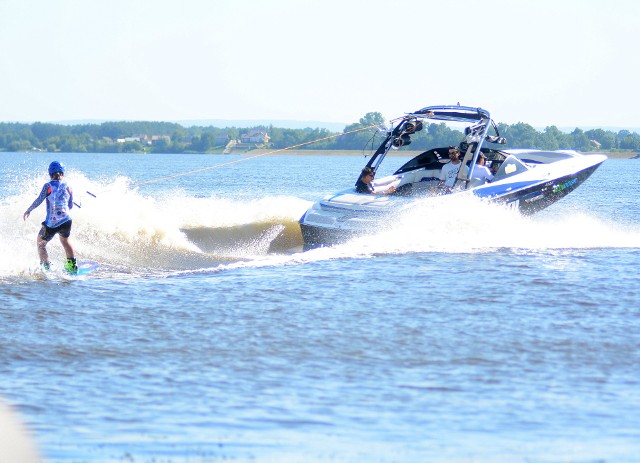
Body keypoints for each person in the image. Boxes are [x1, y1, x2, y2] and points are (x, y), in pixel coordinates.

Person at [23, 161, 78, 273]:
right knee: (65, 242)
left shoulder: (48, 186)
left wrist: (29, 210)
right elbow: (70, 205)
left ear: (50, 173)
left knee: (41, 244)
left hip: (51, 223)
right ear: (62, 172)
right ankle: (72, 267)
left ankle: (46, 268)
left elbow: (39, 200)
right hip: (67, 220)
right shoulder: (69, 186)